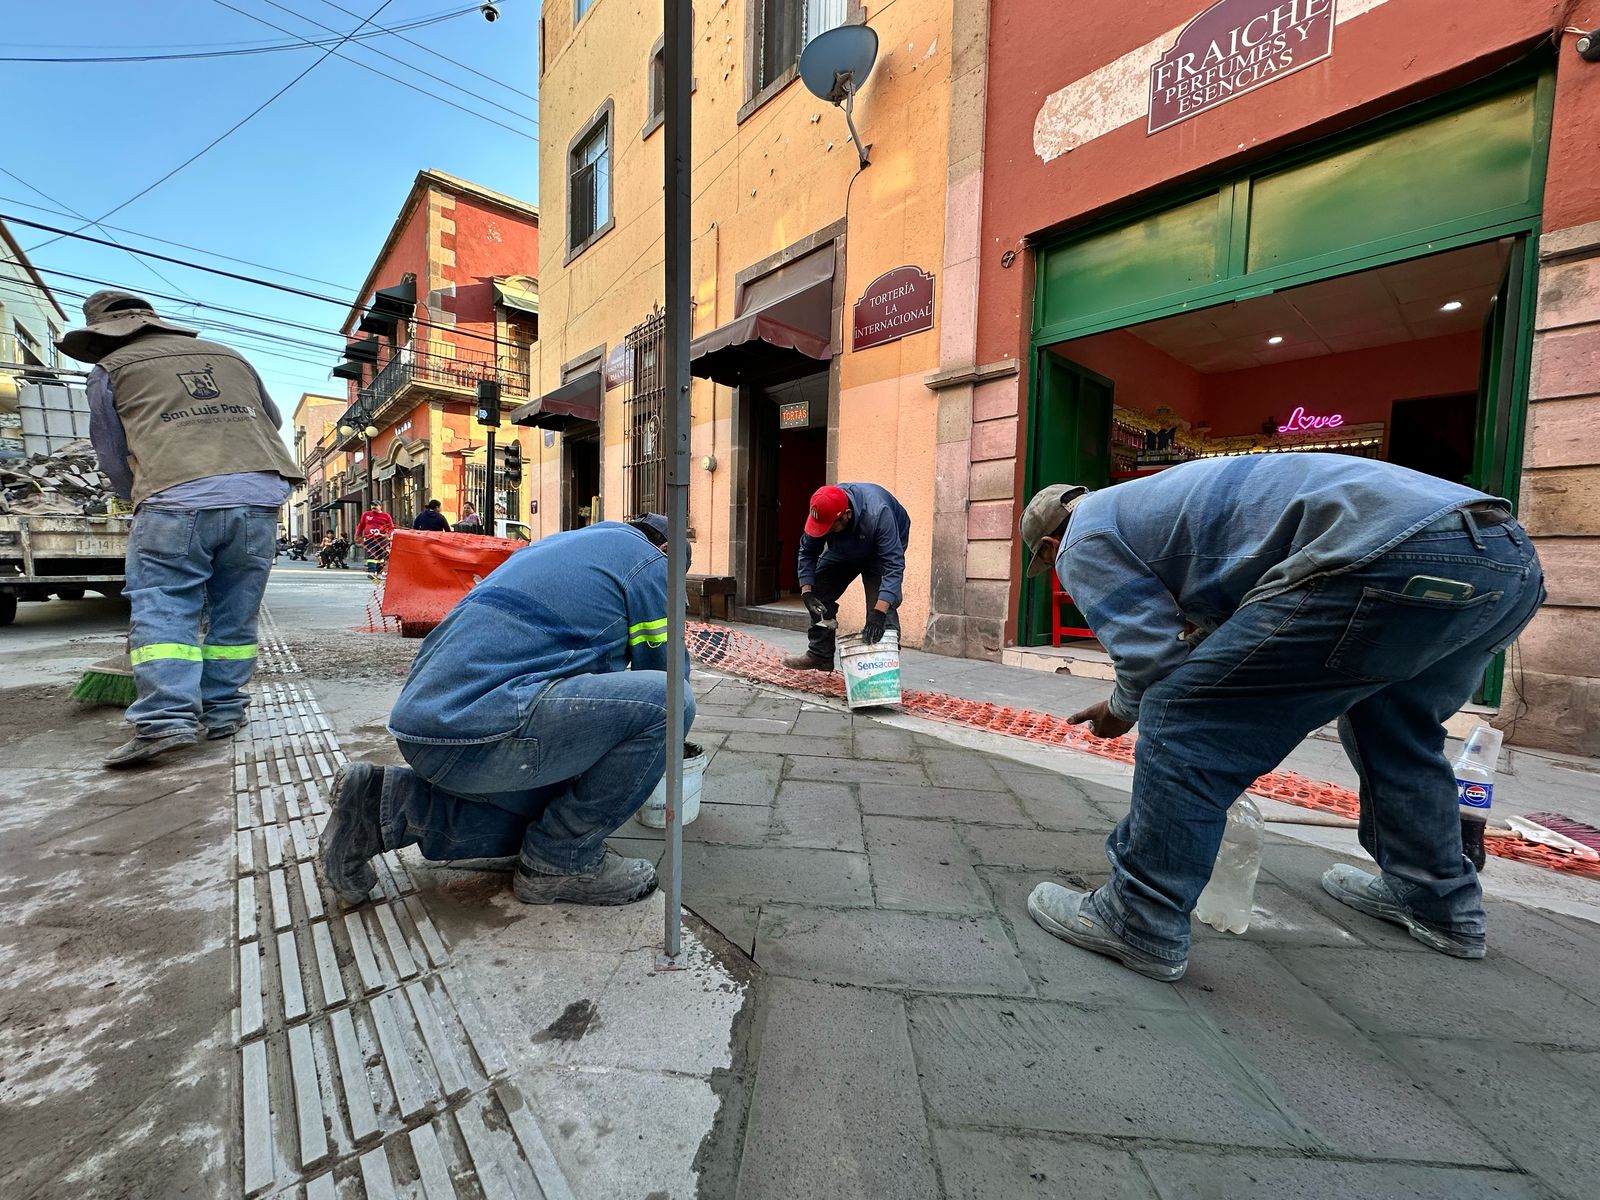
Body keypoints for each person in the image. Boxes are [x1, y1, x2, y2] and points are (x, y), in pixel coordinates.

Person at [1017, 454, 1544, 982]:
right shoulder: (1154, 509)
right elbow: (1225, 631)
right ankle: (1438, 900)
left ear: (1047, 546)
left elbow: (1152, 658)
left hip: (1385, 552)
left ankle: (1139, 916)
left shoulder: (1083, 537)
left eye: (1049, 563)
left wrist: (1119, 710)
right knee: (1396, 725)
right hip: (1506, 557)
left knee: (1185, 716)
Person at [321, 515, 694, 907]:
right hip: (481, 734)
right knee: (671, 702)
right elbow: (667, 678)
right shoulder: (651, 563)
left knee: (555, 816)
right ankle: (560, 862)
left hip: (429, 733)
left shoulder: (563, 544)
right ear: (666, 552)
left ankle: (387, 806)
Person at [58, 289, 304, 768]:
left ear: (101, 336)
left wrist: (138, 492)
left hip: (176, 497)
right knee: (235, 612)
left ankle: (167, 719)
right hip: (259, 496)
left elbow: (110, 448)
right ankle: (223, 711)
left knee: (165, 608)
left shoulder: (111, 370)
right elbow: (269, 420)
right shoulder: (228, 355)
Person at [782, 483, 911, 671]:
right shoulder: (822, 512)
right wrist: (807, 592)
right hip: (844, 547)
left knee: (882, 607)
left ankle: (882, 672)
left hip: (880, 551)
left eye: (829, 527)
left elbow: (893, 565)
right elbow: (807, 552)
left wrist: (879, 612)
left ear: (847, 514)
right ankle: (820, 655)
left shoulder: (878, 514)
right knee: (819, 590)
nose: (823, 532)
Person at [356, 505, 394, 578]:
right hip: (369, 538)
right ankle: (372, 571)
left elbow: (391, 527)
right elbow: (361, 525)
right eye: (372, 505)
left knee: (380, 556)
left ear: (380, 506)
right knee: (371, 554)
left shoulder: (386, 516)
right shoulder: (366, 515)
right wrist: (357, 535)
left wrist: (388, 535)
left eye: (376, 505)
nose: (373, 507)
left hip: (381, 539)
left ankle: (379, 572)